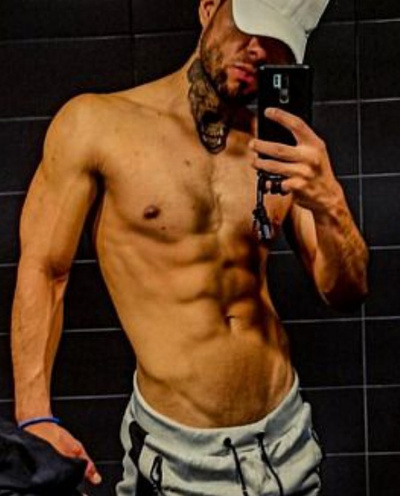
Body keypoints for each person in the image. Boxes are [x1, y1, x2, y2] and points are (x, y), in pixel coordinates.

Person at [11, 0, 369, 494]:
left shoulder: (281, 151)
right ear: (208, 9)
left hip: (286, 444)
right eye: (248, 28)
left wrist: (331, 204)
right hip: (176, 457)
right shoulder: (96, 124)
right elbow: (45, 269)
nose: (257, 50)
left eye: (276, 44)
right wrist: (34, 416)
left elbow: (345, 291)